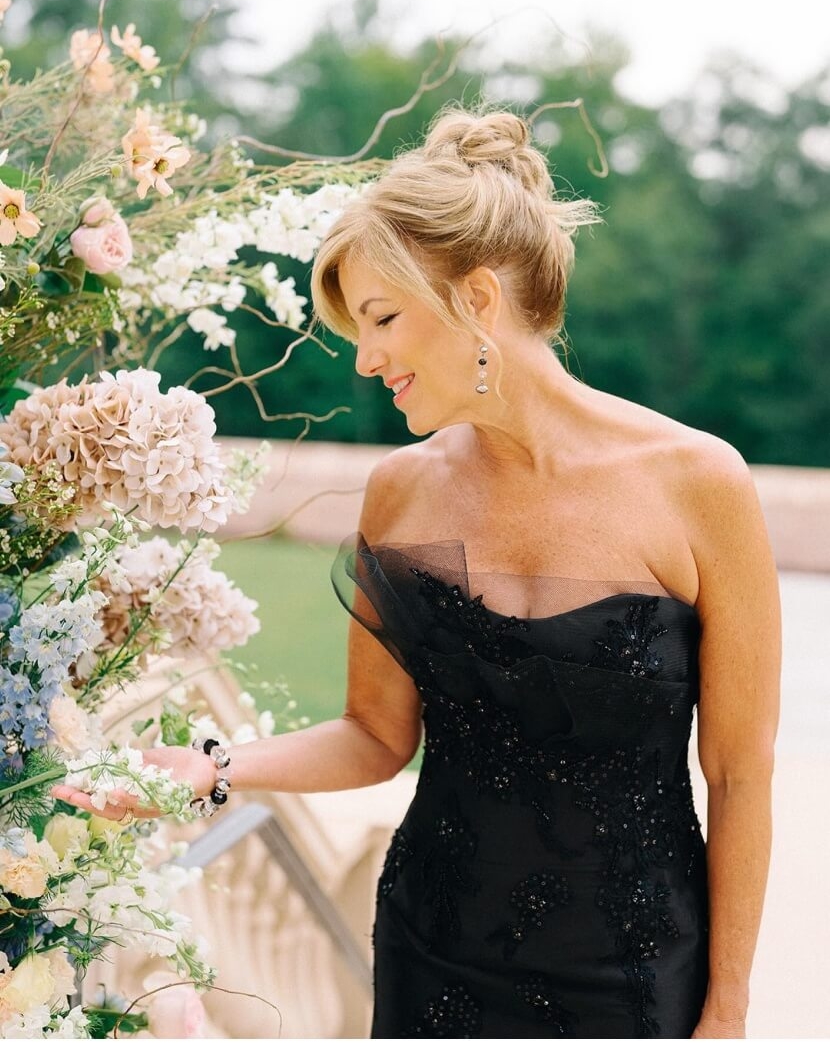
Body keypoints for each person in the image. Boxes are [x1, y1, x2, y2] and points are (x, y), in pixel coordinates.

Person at [53, 108, 781, 1039]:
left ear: (478, 300)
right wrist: (204, 770)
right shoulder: (400, 494)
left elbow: (739, 772)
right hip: (434, 954)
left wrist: (727, 1010)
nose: (366, 359)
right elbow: (374, 735)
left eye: (383, 319)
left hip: (641, 970)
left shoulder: (701, 483)